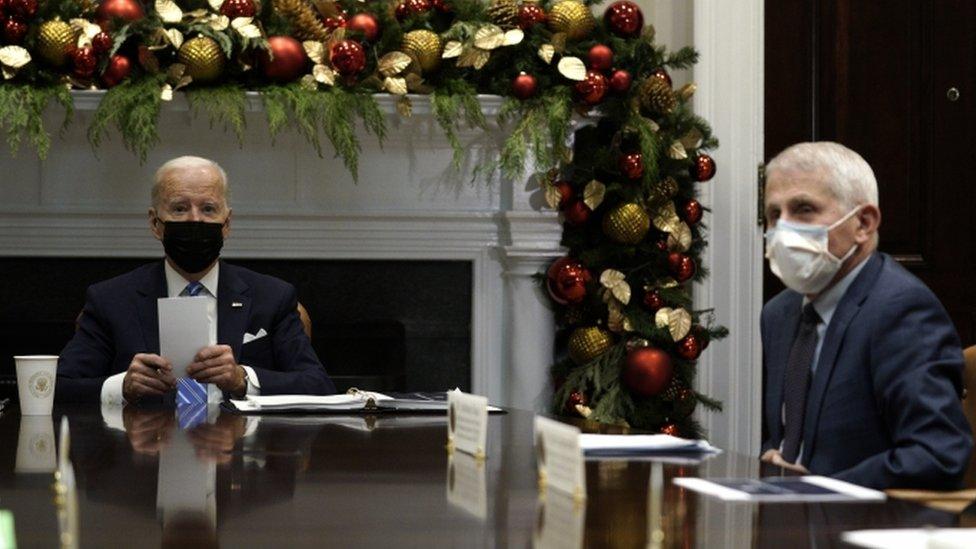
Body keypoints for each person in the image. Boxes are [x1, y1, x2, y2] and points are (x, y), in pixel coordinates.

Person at [760, 142, 972, 489]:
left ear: (863, 223)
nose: (782, 230)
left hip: (864, 527)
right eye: (773, 215)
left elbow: (938, 454)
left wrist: (819, 488)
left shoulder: (900, 310)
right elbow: (788, 441)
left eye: (803, 209)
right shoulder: (778, 314)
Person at [56, 156, 335, 404]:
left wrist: (242, 379)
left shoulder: (272, 297)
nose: (195, 220)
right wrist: (122, 387)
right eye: (179, 209)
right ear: (155, 224)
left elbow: (320, 386)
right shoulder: (112, 300)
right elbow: (57, 387)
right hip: (145, 453)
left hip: (239, 453)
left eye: (208, 209)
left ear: (226, 224)